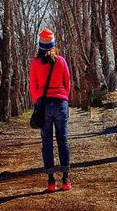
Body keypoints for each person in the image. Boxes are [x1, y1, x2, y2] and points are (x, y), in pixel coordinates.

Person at [29, 28, 72, 192]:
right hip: (61, 102)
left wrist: (38, 102)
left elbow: (33, 86)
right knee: (63, 139)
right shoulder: (61, 61)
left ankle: (51, 181)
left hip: (44, 104)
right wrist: (63, 98)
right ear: (53, 45)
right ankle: (66, 179)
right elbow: (67, 83)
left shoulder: (35, 63)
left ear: (40, 46)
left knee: (47, 142)